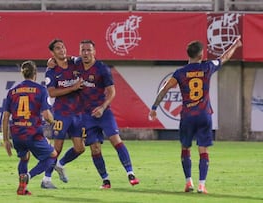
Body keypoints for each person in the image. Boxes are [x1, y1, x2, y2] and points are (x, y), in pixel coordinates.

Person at [149, 36, 242, 194]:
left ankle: (188, 182)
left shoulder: (180, 73)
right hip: (204, 115)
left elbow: (164, 89)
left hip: (188, 116)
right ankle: (201, 185)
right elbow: (224, 57)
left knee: (185, 148)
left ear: (188, 55)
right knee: (203, 150)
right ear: (201, 55)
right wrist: (235, 45)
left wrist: (154, 107)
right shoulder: (207, 67)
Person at [76, 39, 139, 189]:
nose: (85, 53)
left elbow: (112, 92)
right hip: (86, 115)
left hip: (103, 112)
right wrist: (52, 61)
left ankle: (130, 173)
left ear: (94, 52)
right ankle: (105, 180)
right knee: (95, 148)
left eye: (88, 50)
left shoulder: (102, 69)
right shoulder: (76, 64)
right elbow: (62, 61)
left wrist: (103, 107)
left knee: (115, 140)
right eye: (83, 50)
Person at [1, 60, 57, 195]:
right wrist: (54, 122)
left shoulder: (12, 91)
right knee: (52, 156)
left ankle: (22, 188)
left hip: (17, 134)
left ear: (23, 73)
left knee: (24, 157)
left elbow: (5, 117)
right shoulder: (40, 89)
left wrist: (6, 140)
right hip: (33, 133)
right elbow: (46, 114)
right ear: (35, 74)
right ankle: (28, 176)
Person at [42, 39, 85, 189]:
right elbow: (51, 92)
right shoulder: (51, 71)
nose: (62, 50)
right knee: (57, 147)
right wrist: (73, 87)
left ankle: (60, 164)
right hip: (61, 113)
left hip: (77, 112)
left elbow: (87, 61)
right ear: (52, 53)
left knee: (80, 148)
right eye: (58, 49)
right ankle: (46, 179)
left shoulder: (75, 63)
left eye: (63, 47)